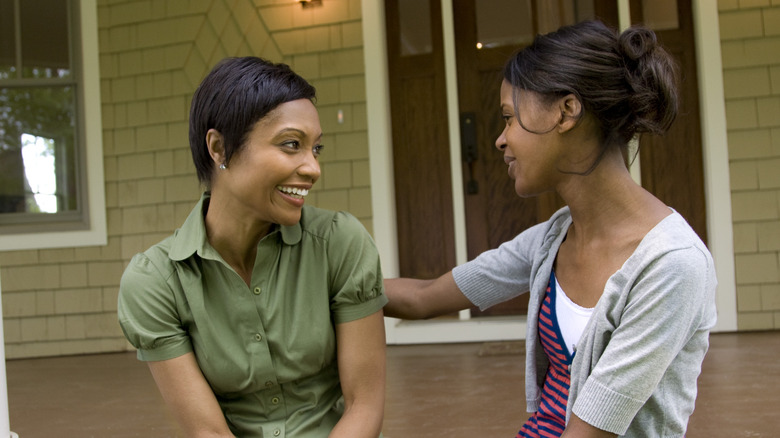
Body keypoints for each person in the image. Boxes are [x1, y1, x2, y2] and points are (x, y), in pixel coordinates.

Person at [384, 20, 717, 438]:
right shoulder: (553, 238)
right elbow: (422, 297)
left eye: (508, 118)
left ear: (566, 111)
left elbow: (589, 432)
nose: (499, 140)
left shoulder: (672, 266)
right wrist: (316, 282)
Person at [117, 56, 387, 438]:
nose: (312, 168)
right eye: (292, 144)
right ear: (220, 148)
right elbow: (207, 431)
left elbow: (365, 403)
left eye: (316, 149)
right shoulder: (155, 283)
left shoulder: (338, 243)